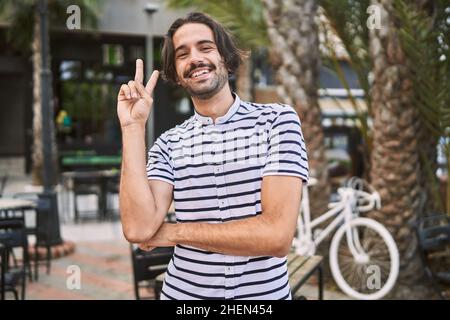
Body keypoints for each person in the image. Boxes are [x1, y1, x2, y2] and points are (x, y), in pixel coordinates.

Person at [117, 12, 309, 300]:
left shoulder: (277, 121)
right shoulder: (168, 144)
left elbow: (277, 236)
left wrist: (172, 233)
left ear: (226, 60)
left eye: (205, 47)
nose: (194, 58)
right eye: (183, 54)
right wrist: (132, 128)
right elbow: (138, 227)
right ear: (177, 74)